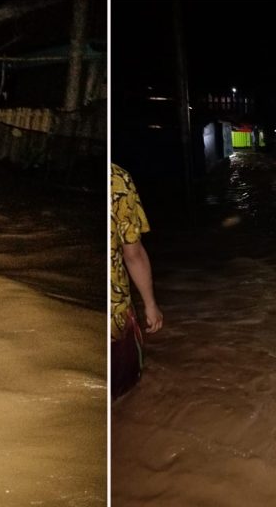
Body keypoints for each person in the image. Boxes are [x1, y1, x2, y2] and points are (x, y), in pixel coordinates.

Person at [111, 163, 163, 399]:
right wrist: (150, 305)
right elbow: (133, 254)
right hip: (116, 317)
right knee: (125, 395)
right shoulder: (118, 179)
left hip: (114, 314)